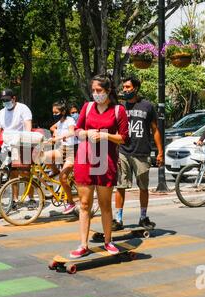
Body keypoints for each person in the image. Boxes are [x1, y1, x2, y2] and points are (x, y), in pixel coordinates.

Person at [70, 74, 129, 258]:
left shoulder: (119, 110)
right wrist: (86, 133)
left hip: (106, 160)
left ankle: (108, 241)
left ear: (108, 91)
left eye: (99, 91)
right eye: (93, 90)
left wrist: (105, 136)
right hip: (85, 158)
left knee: (105, 204)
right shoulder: (87, 108)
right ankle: (83, 244)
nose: (96, 94)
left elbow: (124, 137)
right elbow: (76, 130)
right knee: (85, 204)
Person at [113, 75, 163, 231]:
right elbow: (114, 130)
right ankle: (118, 219)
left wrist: (160, 152)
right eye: (124, 87)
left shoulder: (147, 106)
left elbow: (155, 129)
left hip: (142, 152)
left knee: (143, 187)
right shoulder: (120, 108)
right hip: (123, 151)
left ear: (136, 88)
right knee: (120, 186)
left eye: (128, 87)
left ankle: (143, 217)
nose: (125, 90)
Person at [0, 89, 36, 209]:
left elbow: (28, 125)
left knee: (25, 172)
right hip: (8, 145)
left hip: (23, 143)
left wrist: (26, 138)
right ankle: (14, 199)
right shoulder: (1, 113)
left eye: (7, 100)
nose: (5, 102)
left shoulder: (23, 109)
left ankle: (31, 198)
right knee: (12, 173)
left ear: (14, 98)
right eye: (3, 100)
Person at [44, 102, 78, 214]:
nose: (54, 114)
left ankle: (71, 203)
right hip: (61, 149)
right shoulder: (60, 122)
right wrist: (54, 131)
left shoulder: (70, 120)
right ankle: (55, 171)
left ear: (63, 112)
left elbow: (72, 132)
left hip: (71, 151)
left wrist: (58, 137)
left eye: (56, 112)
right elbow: (52, 127)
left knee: (63, 178)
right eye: (53, 112)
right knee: (45, 157)